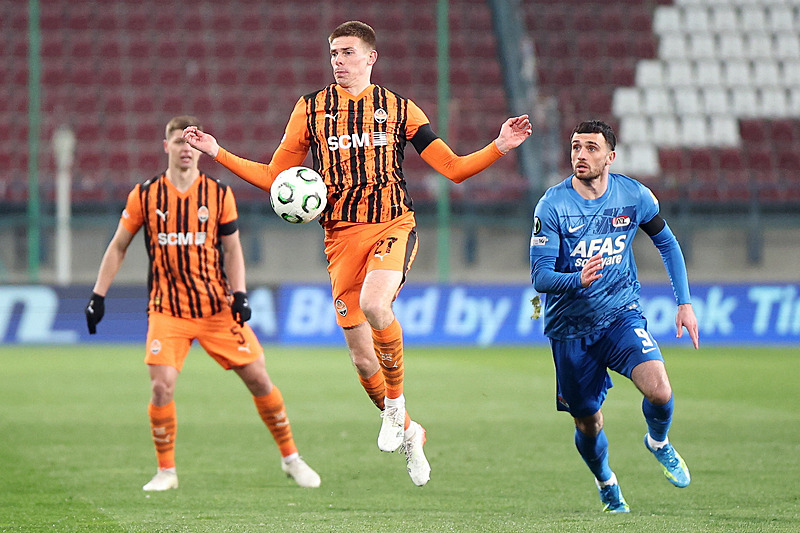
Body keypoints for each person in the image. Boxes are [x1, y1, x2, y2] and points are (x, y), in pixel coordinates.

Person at [183, 21, 532, 486]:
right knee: (363, 361)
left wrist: (499, 146)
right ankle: (411, 432)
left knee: (375, 304)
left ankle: (395, 407)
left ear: (371, 57)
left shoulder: (400, 109)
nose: (338, 61)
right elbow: (274, 177)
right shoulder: (310, 109)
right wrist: (218, 151)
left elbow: (452, 168)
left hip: (393, 224)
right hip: (340, 239)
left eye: (347, 52)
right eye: (333, 53)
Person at [84, 115, 321, 491]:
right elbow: (118, 246)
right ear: (166, 146)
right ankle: (166, 471)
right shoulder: (144, 195)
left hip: (215, 308)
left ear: (199, 149)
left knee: (259, 378)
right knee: (161, 387)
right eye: (179, 141)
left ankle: (292, 458)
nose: (186, 149)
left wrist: (240, 293)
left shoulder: (218, 194)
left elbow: (232, 249)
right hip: (167, 309)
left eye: (192, 142)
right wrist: (98, 295)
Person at [529, 120, 699, 513]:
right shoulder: (552, 206)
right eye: (576, 146)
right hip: (570, 330)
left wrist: (685, 303)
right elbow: (540, 277)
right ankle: (606, 480)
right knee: (589, 424)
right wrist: (577, 279)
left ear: (610, 157)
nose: (581, 155)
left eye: (591, 148)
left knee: (660, 391)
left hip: (621, 315)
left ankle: (658, 441)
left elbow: (667, 243)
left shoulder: (633, 195)